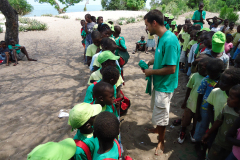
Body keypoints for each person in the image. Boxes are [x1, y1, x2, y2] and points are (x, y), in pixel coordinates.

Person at [143, 9, 181, 155]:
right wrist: (149, 62)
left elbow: (171, 68)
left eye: (147, 25)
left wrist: (151, 72)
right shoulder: (162, 37)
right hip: (159, 83)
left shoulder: (170, 41)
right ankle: (157, 129)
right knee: (158, 111)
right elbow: (160, 56)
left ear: (154, 22)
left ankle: (161, 140)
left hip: (165, 86)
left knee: (162, 115)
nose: (146, 28)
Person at [194, 58, 224, 158]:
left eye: (213, 74)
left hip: (217, 111)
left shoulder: (224, 83)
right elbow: (200, 96)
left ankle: (206, 146)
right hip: (204, 109)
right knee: (201, 127)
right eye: (208, 73)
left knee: (211, 129)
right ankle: (198, 144)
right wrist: (197, 112)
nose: (210, 75)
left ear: (221, 72)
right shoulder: (205, 80)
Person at [177, 57, 211, 144]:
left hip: (201, 106)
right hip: (191, 103)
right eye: (198, 67)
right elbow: (189, 89)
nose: (199, 70)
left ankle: (193, 131)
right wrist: (185, 101)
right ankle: (183, 131)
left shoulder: (211, 80)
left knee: (197, 120)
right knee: (186, 119)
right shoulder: (195, 76)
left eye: (202, 68)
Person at [202, 85, 240, 160]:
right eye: (229, 96)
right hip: (219, 142)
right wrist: (208, 133)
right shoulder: (226, 107)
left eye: (231, 98)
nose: (228, 99)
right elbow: (218, 122)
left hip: (232, 148)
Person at [206, 68, 240, 150]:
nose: (220, 84)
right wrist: (213, 123)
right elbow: (210, 107)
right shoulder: (215, 92)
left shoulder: (236, 100)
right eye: (221, 80)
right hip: (214, 127)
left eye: (225, 82)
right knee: (210, 144)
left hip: (228, 133)